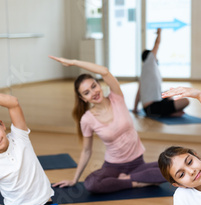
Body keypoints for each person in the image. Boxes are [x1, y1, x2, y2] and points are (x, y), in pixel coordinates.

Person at [49, 56, 167, 194]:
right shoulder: (87, 119)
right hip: (113, 167)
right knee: (91, 183)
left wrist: (74, 62)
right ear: (82, 98)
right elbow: (86, 151)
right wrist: (75, 179)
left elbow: (104, 71)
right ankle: (136, 182)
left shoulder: (117, 97)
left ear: (99, 84)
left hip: (138, 163)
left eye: (94, 86)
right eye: (86, 93)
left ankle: (127, 179)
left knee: (168, 168)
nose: (93, 93)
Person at [133, 28, 188, 117]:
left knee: (169, 93)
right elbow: (157, 44)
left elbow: (138, 93)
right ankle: (170, 114)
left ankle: (168, 112)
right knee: (186, 101)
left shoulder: (144, 72)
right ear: (150, 55)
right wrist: (159, 33)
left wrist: (135, 108)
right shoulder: (150, 61)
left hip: (148, 109)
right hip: (153, 107)